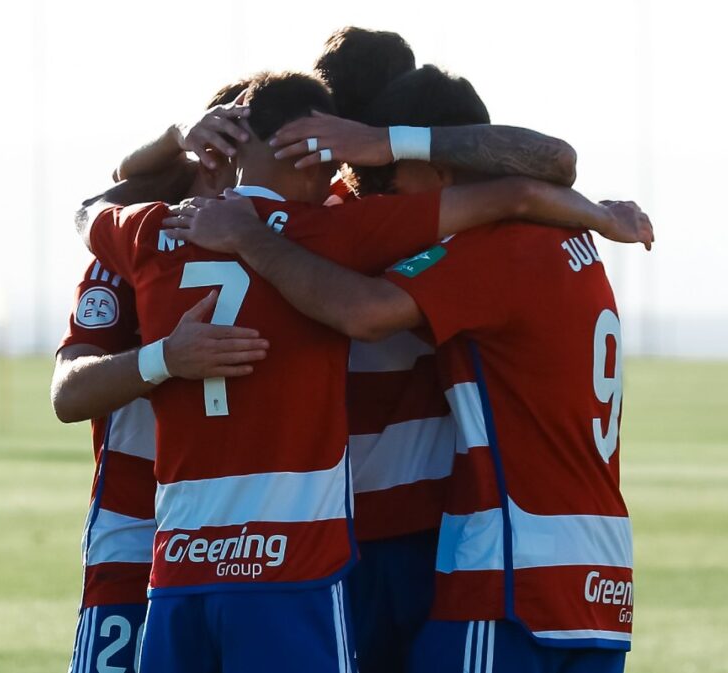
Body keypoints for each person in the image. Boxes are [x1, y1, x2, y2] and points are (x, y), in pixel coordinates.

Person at [79, 68, 646, 673]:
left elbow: (364, 311)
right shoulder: (549, 245)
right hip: (597, 579)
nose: (369, 191)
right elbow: (528, 185)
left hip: (513, 576)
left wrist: (235, 218)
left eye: (386, 180)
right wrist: (595, 216)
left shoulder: (157, 230)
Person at [53, 82, 269, 673]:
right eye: (218, 161)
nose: (230, 185)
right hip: (135, 531)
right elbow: (68, 393)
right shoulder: (128, 250)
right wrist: (164, 359)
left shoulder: (290, 244)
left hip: (253, 542)